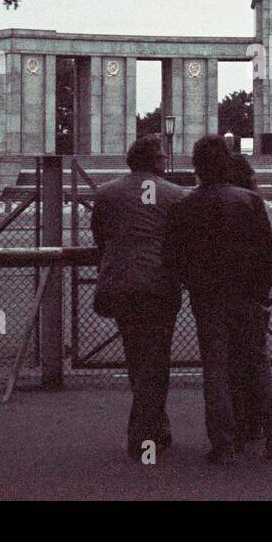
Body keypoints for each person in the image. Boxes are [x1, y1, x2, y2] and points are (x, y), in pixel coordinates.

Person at [163, 135, 272, 464]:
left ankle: (223, 446)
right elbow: (268, 252)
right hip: (247, 297)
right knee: (258, 365)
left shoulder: (183, 205)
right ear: (226, 161)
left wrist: (191, 284)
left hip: (207, 298)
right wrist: (262, 290)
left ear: (196, 165)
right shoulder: (248, 201)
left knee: (215, 370)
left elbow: (173, 256)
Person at [90, 135, 187, 460]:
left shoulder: (105, 194)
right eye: (162, 156)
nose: (165, 159)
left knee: (138, 357)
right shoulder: (175, 195)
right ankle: (144, 438)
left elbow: (101, 237)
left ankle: (156, 428)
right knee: (155, 361)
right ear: (155, 162)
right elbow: (180, 242)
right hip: (159, 287)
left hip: (121, 284)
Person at [226, 152, 272, 449]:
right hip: (255, 294)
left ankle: (229, 433)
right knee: (255, 358)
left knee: (223, 362)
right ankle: (270, 432)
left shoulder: (199, 203)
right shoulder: (258, 205)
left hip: (215, 295)